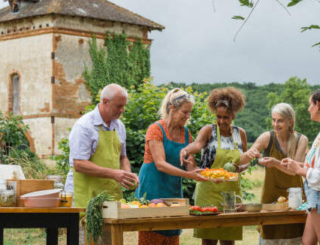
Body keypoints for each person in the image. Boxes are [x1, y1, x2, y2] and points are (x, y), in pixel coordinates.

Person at [65, 83, 139, 244]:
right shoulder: (84, 126)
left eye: (124, 106)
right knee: (87, 240)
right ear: (105, 102)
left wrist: (127, 173)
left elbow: (122, 157)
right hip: (85, 198)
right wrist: (115, 173)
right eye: (119, 106)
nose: (122, 110)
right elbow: (79, 164)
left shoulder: (119, 126)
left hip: (109, 198)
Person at [180, 87, 252, 245]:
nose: (221, 121)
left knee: (228, 240)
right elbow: (197, 145)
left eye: (226, 117)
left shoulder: (240, 134)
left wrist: (240, 167)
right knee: (209, 240)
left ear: (233, 116)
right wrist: (185, 150)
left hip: (231, 193)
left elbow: (245, 159)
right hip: (208, 191)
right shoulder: (208, 130)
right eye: (218, 116)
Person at [135, 88, 208, 245]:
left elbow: (190, 167)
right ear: (172, 108)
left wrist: (199, 172)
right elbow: (160, 164)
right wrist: (189, 174)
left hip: (173, 189)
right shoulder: (156, 129)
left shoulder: (186, 133)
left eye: (190, 112)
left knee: (171, 234)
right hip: (152, 187)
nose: (188, 116)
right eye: (185, 112)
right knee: (152, 232)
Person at [246, 103, 308, 245]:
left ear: (290, 121)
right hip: (270, 196)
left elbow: (294, 171)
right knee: (269, 235)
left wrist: (275, 163)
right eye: (274, 120)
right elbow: (244, 159)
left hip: (295, 199)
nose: (275, 124)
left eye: (280, 120)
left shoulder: (301, 140)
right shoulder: (267, 137)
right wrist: (248, 154)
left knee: (294, 235)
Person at [281, 90, 320, 245]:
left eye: (310, 105)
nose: (308, 109)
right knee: (308, 241)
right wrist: (294, 164)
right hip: (313, 195)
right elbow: (313, 165)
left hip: (317, 193)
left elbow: (318, 176)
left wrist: (298, 170)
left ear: (318, 105)